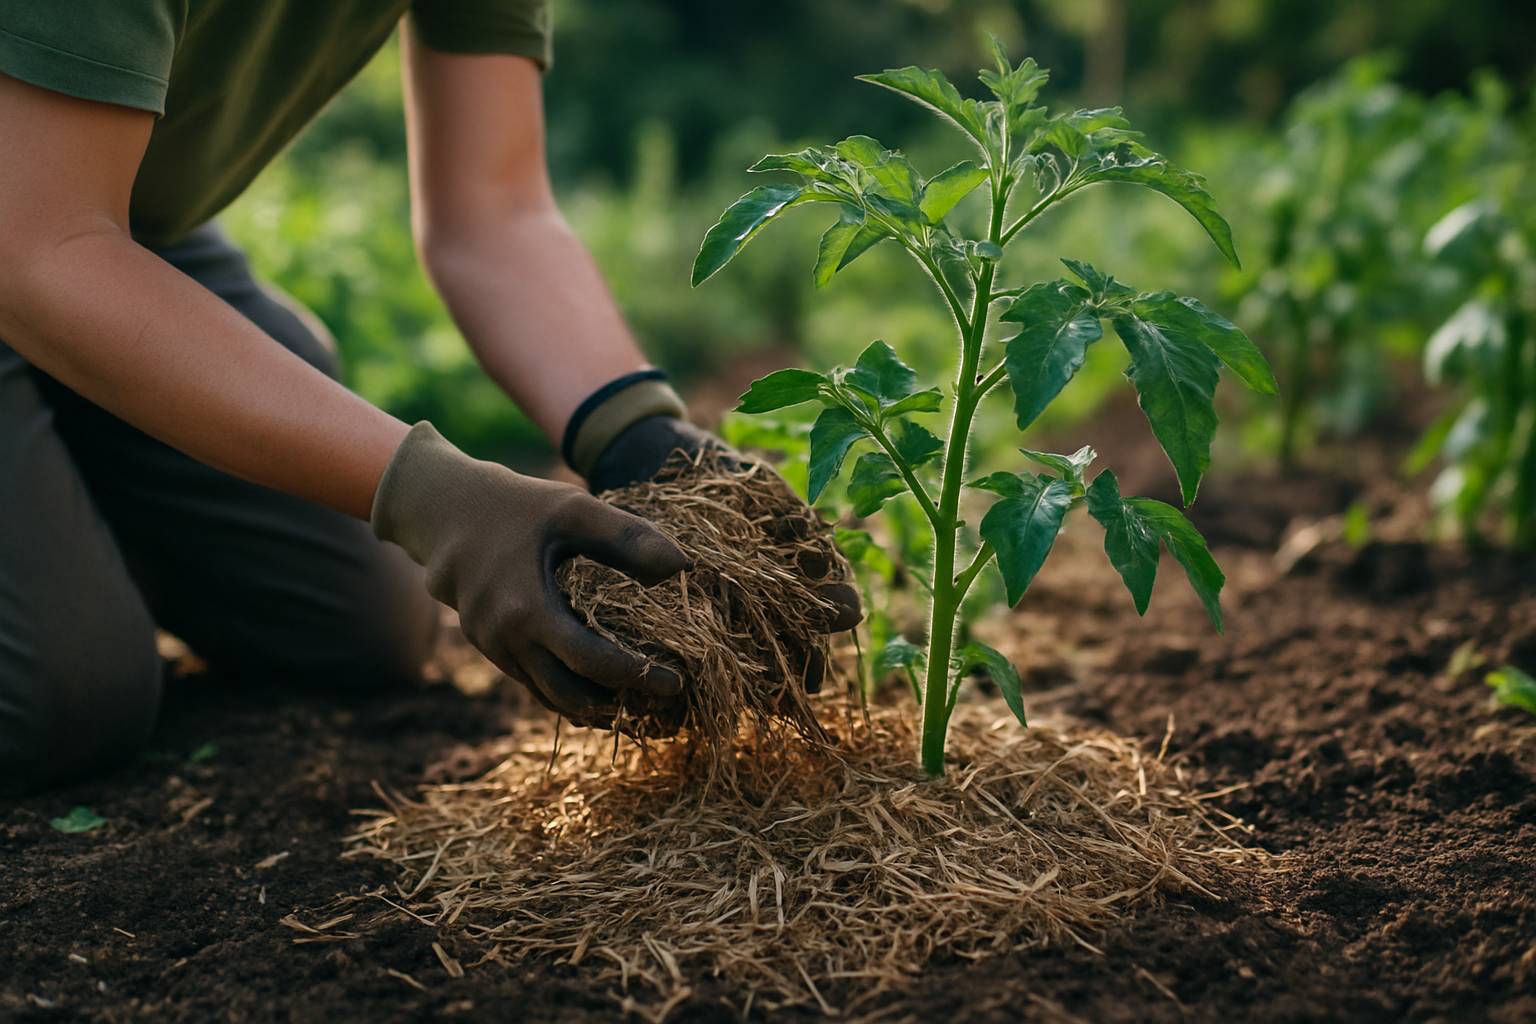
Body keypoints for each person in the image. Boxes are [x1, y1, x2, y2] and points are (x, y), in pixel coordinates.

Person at [0, 2, 859, 794]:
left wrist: (637, 433)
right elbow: (40, 248)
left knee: (352, 617)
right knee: (66, 696)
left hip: (107, 217)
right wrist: (434, 494)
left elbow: (493, 209)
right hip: (41, 225)